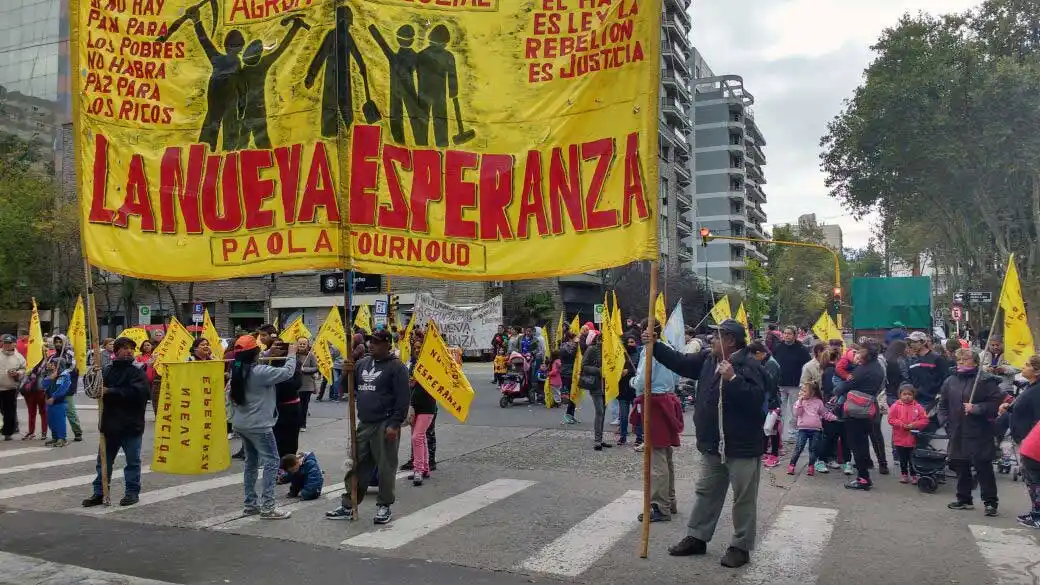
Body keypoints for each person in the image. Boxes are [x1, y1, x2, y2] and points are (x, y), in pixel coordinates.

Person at [646, 319, 768, 569]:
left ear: (731, 340)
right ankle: (697, 537)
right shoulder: (707, 360)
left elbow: (757, 403)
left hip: (742, 447)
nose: (711, 340)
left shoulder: (750, 365)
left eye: (717, 336)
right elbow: (679, 362)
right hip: (713, 444)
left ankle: (740, 546)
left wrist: (733, 379)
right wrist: (655, 345)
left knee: (743, 499)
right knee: (705, 493)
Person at [327, 329, 409, 524]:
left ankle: (384, 506)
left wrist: (395, 424)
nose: (372, 345)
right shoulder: (362, 363)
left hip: (385, 424)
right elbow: (346, 390)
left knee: (385, 467)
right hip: (365, 423)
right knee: (356, 464)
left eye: (377, 342)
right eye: (371, 341)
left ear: (388, 344)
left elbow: (403, 399)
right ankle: (349, 505)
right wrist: (346, 373)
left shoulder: (397, 367)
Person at [227, 334, 297, 519]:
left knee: (251, 463)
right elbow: (287, 373)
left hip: (242, 424)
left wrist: (269, 353)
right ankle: (268, 507)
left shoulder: (237, 370)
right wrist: (292, 354)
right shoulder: (259, 372)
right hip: (260, 426)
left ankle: (250, 504)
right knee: (272, 462)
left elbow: (229, 393)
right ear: (255, 354)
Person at [82, 337, 151, 507]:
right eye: (125, 348)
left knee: (132, 461)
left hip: (131, 425)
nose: (129, 351)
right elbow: (92, 388)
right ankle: (100, 492)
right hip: (110, 424)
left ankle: (132, 492)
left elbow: (139, 394)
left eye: (132, 349)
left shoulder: (138, 372)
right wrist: (92, 374)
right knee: (104, 461)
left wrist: (111, 391)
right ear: (116, 351)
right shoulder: (106, 370)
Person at [940, 348, 1003, 517]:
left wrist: (976, 408)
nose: (960, 362)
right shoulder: (950, 380)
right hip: (957, 430)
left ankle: (990, 502)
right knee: (960, 464)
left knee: (983, 466)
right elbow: (943, 404)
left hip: (979, 431)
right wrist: (945, 421)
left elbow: (995, 404)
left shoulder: (985, 381)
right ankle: (964, 498)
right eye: (958, 359)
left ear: (975, 361)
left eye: (965, 359)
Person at [834, 339, 886, 490]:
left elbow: (847, 385)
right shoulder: (877, 367)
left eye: (861, 351)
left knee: (856, 444)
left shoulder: (864, 369)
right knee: (862, 442)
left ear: (868, 353)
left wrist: (836, 391)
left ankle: (863, 478)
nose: (857, 353)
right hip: (869, 408)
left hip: (857, 410)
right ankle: (864, 474)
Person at [997, 355, 1040, 528]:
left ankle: (1037, 515)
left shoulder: (1038, 391)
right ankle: (1036, 512)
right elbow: (1021, 405)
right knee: (1032, 480)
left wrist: (1030, 440)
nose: (1024, 366)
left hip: (1032, 442)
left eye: (1028, 365)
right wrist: (1008, 407)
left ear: (1037, 371)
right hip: (1026, 439)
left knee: (1034, 481)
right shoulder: (1031, 386)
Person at [631, 387, 683, 522]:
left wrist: (633, 381)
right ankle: (669, 501)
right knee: (665, 458)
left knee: (657, 462)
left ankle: (660, 506)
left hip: (655, 403)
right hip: (664, 400)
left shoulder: (653, 364)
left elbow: (642, 382)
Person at [771, 326, 811, 443]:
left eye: (789, 334)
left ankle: (792, 433)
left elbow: (807, 366)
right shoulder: (778, 348)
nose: (786, 336)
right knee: (780, 410)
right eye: (785, 333)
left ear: (795, 335)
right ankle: (778, 434)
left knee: (795, 409)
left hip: (795, 384)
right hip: (780, 384)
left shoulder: (801, 349)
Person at [788, 379, 836, 476]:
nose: (801, 393)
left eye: (804, 391)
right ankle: (792, 464)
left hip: (816, 430)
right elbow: (797, 413)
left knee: (813, 449)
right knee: (799, 447)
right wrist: (800, 402)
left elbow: (824, 413)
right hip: (802, 429)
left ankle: (811, 465)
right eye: (801, 390)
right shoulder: (799, 402)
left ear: (812, 392)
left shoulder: (818, 402)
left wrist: (834, 418)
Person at [408, 331, 436, 486]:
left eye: (420, 347)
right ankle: (424, 467)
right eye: (415, 348)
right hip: (414, 405)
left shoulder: (431, 364)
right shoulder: (413, 364)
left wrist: (419, 381)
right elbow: (410, 384)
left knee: (417, 437)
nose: (417, 350)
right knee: (420, 437)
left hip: (427, 405)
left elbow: (436, 384)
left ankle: (417, 469)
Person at [888, 384, 930, 484]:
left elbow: (925, 420)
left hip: (912, 439)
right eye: (904, 394)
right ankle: (904, 474)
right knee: (902, 459)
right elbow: (891, 419)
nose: (907, 396)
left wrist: (914, 425)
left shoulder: (918, 407)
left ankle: (914, 475)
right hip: (899, 438)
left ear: (913, 395)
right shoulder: (895, 406)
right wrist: (901, 424)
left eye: (909, 394)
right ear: (900, 395)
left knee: (912, 459)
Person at [748, 341, 781, 467]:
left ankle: (774, 454)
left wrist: (771, 402)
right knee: (766, 426)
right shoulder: (765, 362)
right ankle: (765, 451)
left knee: (772, 427)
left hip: (771, 399)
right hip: (767, 398)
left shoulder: (771, 364)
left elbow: (770, 384)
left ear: (760, 353)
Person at [905, 331, 950, 410]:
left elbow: (946, 378)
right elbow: (909, 379)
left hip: (933, 400)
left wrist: (939, 394)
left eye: (915, 342)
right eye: (910, 342)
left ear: (923, 342)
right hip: (916, 400)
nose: (912, 344)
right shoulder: (911, 360)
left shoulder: (937, 358)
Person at [580, 331, 609, 450]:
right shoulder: (591, 349)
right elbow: (584, 366)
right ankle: (597, 440)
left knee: (603, 413)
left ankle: (601, 439)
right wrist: (598, 370)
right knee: (600, 412)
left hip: (606, 386)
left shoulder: (609, 351)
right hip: (595, 384)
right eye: (601, 339)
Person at [49, 334, 82, 442]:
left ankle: (77, 432)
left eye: (60, 342)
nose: (58, 344)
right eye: (56, 342)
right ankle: (57, 436)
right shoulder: (52, 357)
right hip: (54, 388)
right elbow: (48, 370)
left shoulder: (70, 355)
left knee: (70, 411)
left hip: (67, 387)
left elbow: (71, 369)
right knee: (55, 413)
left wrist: (59, 373)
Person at [0, 334, 27, 440]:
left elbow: (24, 370)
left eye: (8, 343)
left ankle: (8, 432)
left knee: (9, 411)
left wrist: (17, 373)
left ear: (14, 344)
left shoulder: (19, 357)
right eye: (5, 343)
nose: (6, 345)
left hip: (10, 388)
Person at [41, 360, 71, 447]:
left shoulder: (64, 375)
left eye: (53, 365)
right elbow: (43, 385)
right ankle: (55, 437)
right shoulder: (51, 374)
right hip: (49, 402)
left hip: (59, 402)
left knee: (59, 421)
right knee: (51, 421)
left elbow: (63, 389)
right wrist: (50, 378)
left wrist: (54, 397)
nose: (50, 366)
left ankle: (62, 438)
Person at [616, 336, 638, 445]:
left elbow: (640, 370)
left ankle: (639, 437)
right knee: (623, 416)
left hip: (635, 390)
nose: (630, 344)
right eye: (628, 342)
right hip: (623, 390)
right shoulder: (620, 354)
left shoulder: (639, 354)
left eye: (632, 342)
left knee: (637, 415)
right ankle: (623, 436)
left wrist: (628, 371)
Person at [296, 338, 318, 432]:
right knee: (297, 406)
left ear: (307, 345)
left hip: (307, 385)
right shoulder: (293, 355)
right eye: (300, 343)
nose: (302, 345)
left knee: (304, 406)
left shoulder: (311, 355)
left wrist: (304, 369)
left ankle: (302, 424)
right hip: (296, 385)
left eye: (304, 344)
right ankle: (296, 424)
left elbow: (316, 368)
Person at [559, 331, 580, 424]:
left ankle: (572, 414)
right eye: (574, 339)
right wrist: (575, 345)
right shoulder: (564, 347)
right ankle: (568, 413)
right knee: (571, 394)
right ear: (570, 339)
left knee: (574, 394)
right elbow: (570, 354)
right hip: (567, 373)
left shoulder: (572, 346)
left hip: (573, 372)